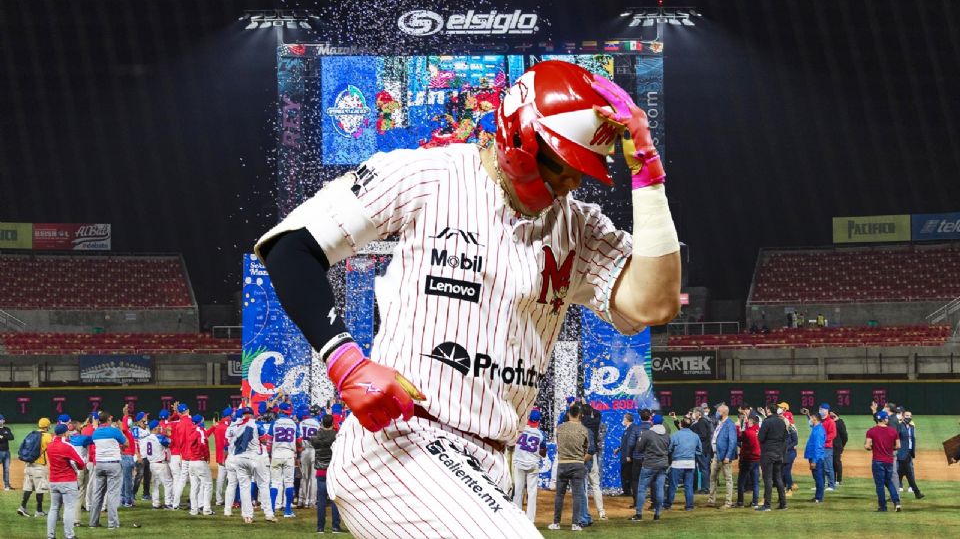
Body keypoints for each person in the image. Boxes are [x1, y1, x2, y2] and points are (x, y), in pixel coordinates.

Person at [255, 59, 681, 537]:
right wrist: (347, 363)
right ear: (520, 143)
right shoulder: (429, 175)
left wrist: (648, 171)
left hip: (487, 465)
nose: (573, 184)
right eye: (563, 168)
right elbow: (290, 247)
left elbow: (653, 304)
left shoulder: (578, 226)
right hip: (402, 444)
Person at [550, 404, 591, 531]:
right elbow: (586, 448)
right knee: (577, 495)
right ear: (579, 415)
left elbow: (558, 443)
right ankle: (575, 524)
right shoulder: (584, 430)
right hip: (577, 464)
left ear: (568, 414)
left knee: (559, 495)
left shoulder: (560, 428)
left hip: (563, 463)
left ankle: (556, 523)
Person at [45, 423, 85, 539]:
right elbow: (81, 463)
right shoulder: (67, 446)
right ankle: (69, 535)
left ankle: (50, 536)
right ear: (64, 433)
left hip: (53, 480)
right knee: (69, 507)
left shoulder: (50, 446)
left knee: (53, 508)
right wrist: (79, 468)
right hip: (67, 480)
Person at [89, 412, 127, 529]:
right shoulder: (114, 430)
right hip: (113, 464)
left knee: (97, 494)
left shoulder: (95, 432)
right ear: (108, 420)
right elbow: (126, 443)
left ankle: (93, 523)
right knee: (112, 495)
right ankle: (112, 523)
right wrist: (120, 429)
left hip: (99, 464)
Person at [629, 414, 670, 521]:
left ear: (652, 422)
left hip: (649, 464)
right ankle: (657, 514)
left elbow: (638, 448)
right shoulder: (666, 435)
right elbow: (669, 449)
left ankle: (639, 514)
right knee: (659, 489)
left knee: (642, 489)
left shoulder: (647, 434)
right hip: (663, 464)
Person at [512, 409, 547, 522]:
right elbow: (543, 453)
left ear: (528, 419)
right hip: (532, 464)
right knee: (532, 492)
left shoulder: (520, 430)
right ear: (538, 421)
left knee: (518, 490)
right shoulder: (541, 434)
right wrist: (539, 451)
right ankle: (530, 520)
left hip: (519, 463)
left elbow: (513, 443)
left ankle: (517, 517)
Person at [310, 414, 341, 533]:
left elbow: (315, 439)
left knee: (321, 500)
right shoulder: (336, 437)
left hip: (321, 471)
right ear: (333, 423)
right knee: (334, 499)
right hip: (333, 471)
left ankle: (320, 527)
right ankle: (335, 527)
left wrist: (321, 428)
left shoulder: (316, 437)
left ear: (322, 423)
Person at [865, 411, 902, 512]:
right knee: (888, 481)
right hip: (889, 461)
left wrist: (873, 447)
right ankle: (897, 502)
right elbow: (898, 446)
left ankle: (883, 507)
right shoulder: (893, 431)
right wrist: (890, 447)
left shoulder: (871, 431)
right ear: (884, 419)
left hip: (877, 461)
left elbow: (867, 446)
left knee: (880, 484)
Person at [269, 403, 300, 518]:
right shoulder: (294, 424)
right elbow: (299, 441)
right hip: (289, 454)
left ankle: (271, 510)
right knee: (288, 482)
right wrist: (298, 451)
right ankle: (287, 510)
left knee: (275, 482)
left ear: (280, 411)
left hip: (276, 453)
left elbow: (269, 440)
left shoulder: (275, 422)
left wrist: (269, 454)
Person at [18, 417, 53, 517]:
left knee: (28, 487)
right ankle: (39, 510)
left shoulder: (32, 434)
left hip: (28, 464)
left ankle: (22, 507)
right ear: (47, 426)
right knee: (40, 489)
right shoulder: (47, 436)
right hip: (39, 466)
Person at [665, 416, 701, 511]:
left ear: (681, 425)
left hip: (677, 463)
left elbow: (669, 449)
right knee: (688, 485)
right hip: (690, 463)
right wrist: (691, 454)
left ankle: (668, 504)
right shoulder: (695, 435)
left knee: (673, 484)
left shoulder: (675, 435)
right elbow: (699, 450)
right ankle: (689, 506)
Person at [757, 404, 787, 511]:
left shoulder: (767, 421)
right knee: (778, 478)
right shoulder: (781, 421)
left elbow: (760, 438)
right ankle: (783, 504)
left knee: (768, 479)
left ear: (768, 410)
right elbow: (785, 437)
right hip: (779, 453)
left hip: (768, 454)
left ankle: (767, 505)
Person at [708, 404, 738, 508]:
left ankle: (728, 502)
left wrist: (728, 456)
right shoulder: (720, 423)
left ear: (723, 412)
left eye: (718, 411)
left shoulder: (730, 424)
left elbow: (733, 441)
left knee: (728, 479)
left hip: (724, 456)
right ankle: (711, 500)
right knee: (712, 478)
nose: (716, 413)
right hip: (716, 455)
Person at [139, 419, 174, 509]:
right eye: (158, 426)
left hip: (152, 464)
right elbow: (170, 442)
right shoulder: (159, 437)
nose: (160, 427)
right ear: (154, 428)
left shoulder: (148, 437)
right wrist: (169, 434)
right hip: (160, 464)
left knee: (155, 484)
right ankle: (168, 503)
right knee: (168, 483)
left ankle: (156, 503)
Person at [185, 414, 214, 516]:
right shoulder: (199, 431)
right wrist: (207, 457)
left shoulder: (191, 431)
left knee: (194, 487)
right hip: (200, 461)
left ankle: (194, 510)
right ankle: (206, 509)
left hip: (191, 462)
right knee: (208, 485)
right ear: (200, 422)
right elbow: (203, 444)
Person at [625, 409, 653, 509]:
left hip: (637, 457)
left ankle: (637, 502)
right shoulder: (652, 428)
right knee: (653, 480)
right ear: (650, 417)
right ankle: (654, 503)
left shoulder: (636, 428)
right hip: (650, 458)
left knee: (635, 480)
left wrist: (628, 455)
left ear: (640, 417)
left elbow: (631, 443)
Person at [896, 410, 924, 499]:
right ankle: (917, 493)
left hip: (909, 453)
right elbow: (895, 437)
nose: (908, 417)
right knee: (907, 474)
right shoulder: (899, 426)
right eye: (907, 415)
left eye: (910, 416)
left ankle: (895, 495)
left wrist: (912, 452)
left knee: (901, 475)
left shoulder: (912, 427)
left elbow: (912, 439)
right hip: (901, 453)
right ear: (903, 417)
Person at [297, 408, 321, 509]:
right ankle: (311, 501)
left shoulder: (302, 423)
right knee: (313, 478)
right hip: (314, 450)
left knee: (304, 477)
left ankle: (301, 500)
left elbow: (298, 438)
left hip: (304, 450)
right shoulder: (317, 424)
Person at [736, 415, 761, 508]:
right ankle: (755, 503)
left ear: (751, 422)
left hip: (747, 459)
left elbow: (738, 438)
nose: (747, 422)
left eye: (748, 421)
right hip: (757, 458)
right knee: (755, 482)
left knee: (741, 481)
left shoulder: (748, 432)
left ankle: (740, 502)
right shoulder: (760, 430)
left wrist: (738, 426)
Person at [211, 406, 233, 507]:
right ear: (229, 416)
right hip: (228, 456)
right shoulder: (229, 427)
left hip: (219, 456)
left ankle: (219, 500)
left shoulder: (217, 426)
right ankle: (230, 499)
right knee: (231, 479)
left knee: (220, 478)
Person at [689, 407, 713, 494]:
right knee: (701, 468)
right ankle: (697, 487)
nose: (693, 414)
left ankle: (705, 488)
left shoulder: (702, 421)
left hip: (703, 449)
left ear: (699, 413)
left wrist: (693, 436)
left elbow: (703, 435)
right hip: (702, 449)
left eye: (694, 413)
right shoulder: (701, 421)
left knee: (704, 469)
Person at [614, 413, 637, 498]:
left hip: (628, 456)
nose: (622, 420)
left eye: (624, 419)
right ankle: (627, 491)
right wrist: (619, 448)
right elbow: (626, 442)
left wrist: (628, 456)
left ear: (627, 420)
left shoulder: (632, 429)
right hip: (625, 455)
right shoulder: (628, 429)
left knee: (627, 474)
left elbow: (630, 443)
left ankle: (628, 492)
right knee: (625, 474)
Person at [805, 413, 826, 504]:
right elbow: (810, 424)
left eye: (812, 418)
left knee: (819, 478)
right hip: (814, 457)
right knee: (817, 477)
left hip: (816, 458)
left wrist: (814, 461)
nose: (810, 420)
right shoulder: (816, 427)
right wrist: (807, 415)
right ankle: (818, 496)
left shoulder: (818, 431)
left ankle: (819, 498)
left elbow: (818, 447)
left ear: (815, 419)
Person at [819, 404, 837, 490]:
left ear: (827, 410)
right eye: (820, 409)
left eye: (822, 409)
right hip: (819, 447)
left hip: (827, 447)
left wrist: (822, 440)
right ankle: (820, 485)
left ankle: (831, 485)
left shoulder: (830, 421)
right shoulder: (819, 421)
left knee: (828, 467)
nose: (821, 410)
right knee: (819, 467)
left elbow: (833, 434)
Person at [782, 411, 799, 494]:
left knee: (786, 470)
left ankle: (789, 489)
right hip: (784, 453)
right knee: (784, 471)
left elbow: (795, 441)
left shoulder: (791, 429)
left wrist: (786, 448)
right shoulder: (782, 428)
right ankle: (790, 485)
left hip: (790, 453)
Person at [831, 410, 848, 487]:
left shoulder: (840, 423)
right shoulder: (830, 422)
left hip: (837, 446)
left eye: (832, 414)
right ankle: (833, 479)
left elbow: (844, 436)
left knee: (837, 462)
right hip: (830, 446)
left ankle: (839, 479)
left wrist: (841, 445)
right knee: (831, 463)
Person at [0, 414, 14, 490]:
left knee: (6, 469)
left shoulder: (7, 429)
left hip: (7, 452)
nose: (0, 421)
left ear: (4, 421)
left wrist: (2, 436)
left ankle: (7, 485)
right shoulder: (6, 431)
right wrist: (5, 437)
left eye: (1, 419)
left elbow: (12, 437)